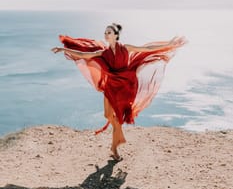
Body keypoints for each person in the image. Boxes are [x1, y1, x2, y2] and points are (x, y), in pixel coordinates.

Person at [51, 23, 187, 161]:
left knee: (117, 118)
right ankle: (118, 137)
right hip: (111, 85)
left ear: (116, 35)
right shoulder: (104, 53)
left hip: (125, 86)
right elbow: (84, 55)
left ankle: (114, 148)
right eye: (105, 32)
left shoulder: (125, 48)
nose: (106, 34)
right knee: (108, 115)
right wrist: (63, 50)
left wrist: (168, 44)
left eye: (109, 32)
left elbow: (146, 48)